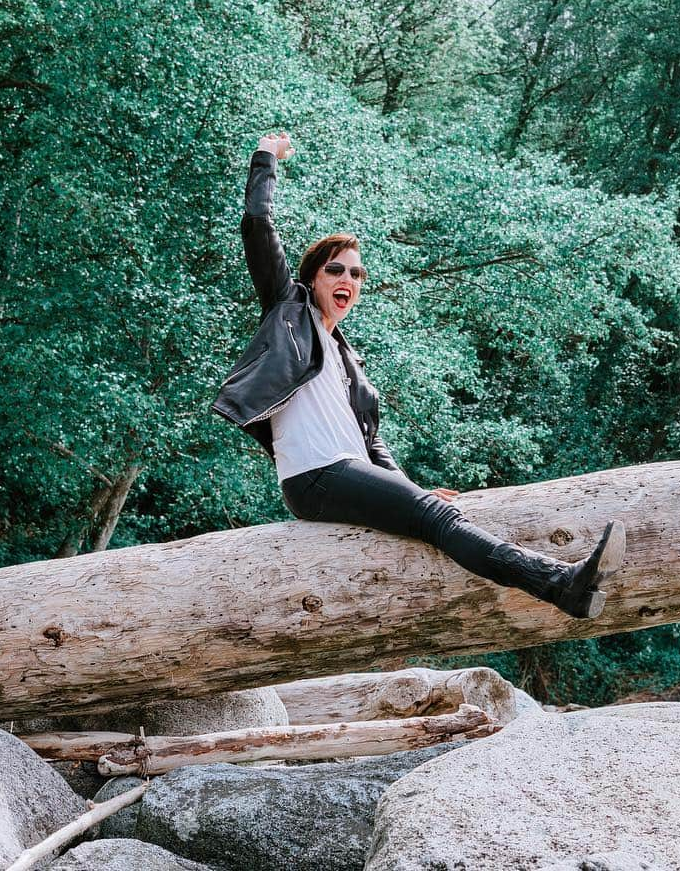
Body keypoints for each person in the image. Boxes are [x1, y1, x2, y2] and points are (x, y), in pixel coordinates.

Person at [212, 132, 626, 618]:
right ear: (311, 278)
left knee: (430, 512)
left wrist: (406, 487)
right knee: (437, 519)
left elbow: (371, 442)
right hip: (314, 477)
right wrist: (265, 155)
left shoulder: (346, 358)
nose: (348, 280)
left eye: (357, 274)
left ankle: (564, 585)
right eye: (336, 270)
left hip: (344, 472)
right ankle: (561, 584)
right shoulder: (288, 311)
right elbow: (257, 222)